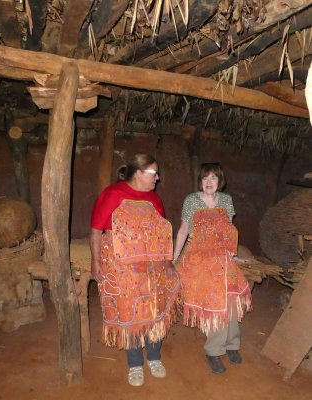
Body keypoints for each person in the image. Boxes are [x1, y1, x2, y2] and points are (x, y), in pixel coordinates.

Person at [90, 154, 180, 386]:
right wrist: (96, 262)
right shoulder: (113, 194)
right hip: (121, 265)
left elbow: (161, 234)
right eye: (153, 173)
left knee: (153, 308)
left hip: (152, 265)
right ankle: (135, 364)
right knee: (129, 310)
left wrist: (168, 261)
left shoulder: (154, 199)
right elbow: (96, 231)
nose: (157, 178)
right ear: (138, 173)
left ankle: (154, 357)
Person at [173, 163, 252, 374]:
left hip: (221, 255)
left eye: (214, 178)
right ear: (200, 180)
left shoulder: (226, 201)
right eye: (205, 178)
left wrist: (232, 255)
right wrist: (174, 258)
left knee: (233, 296)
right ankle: (214, 351)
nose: (209, 182)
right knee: (218, 298)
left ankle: (231, 344)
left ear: (220, 181)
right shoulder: (192, 200)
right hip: (197, 255)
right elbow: (183, 231)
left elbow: (229, 231)